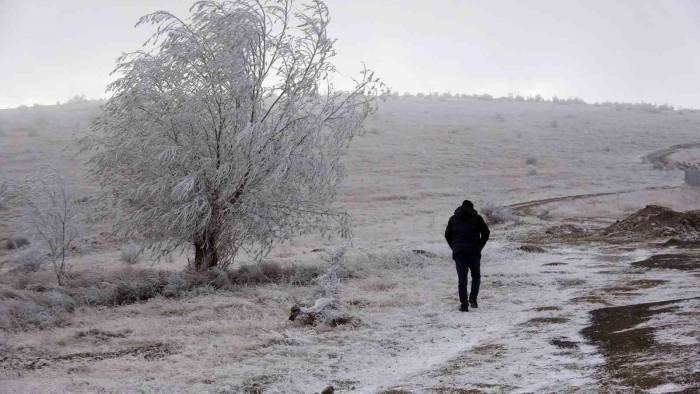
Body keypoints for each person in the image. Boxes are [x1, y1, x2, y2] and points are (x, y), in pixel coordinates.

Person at [444, 200, 490, 312]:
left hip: (459, 253)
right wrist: (480, 246)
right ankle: (473, 298)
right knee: (476, 276)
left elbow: (447, 235)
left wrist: (454, 247)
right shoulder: (477, 218)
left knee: (462, 279)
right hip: (474, 251)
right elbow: (486, 233)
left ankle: (464, 305)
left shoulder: (453, 219)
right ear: (472, 207)